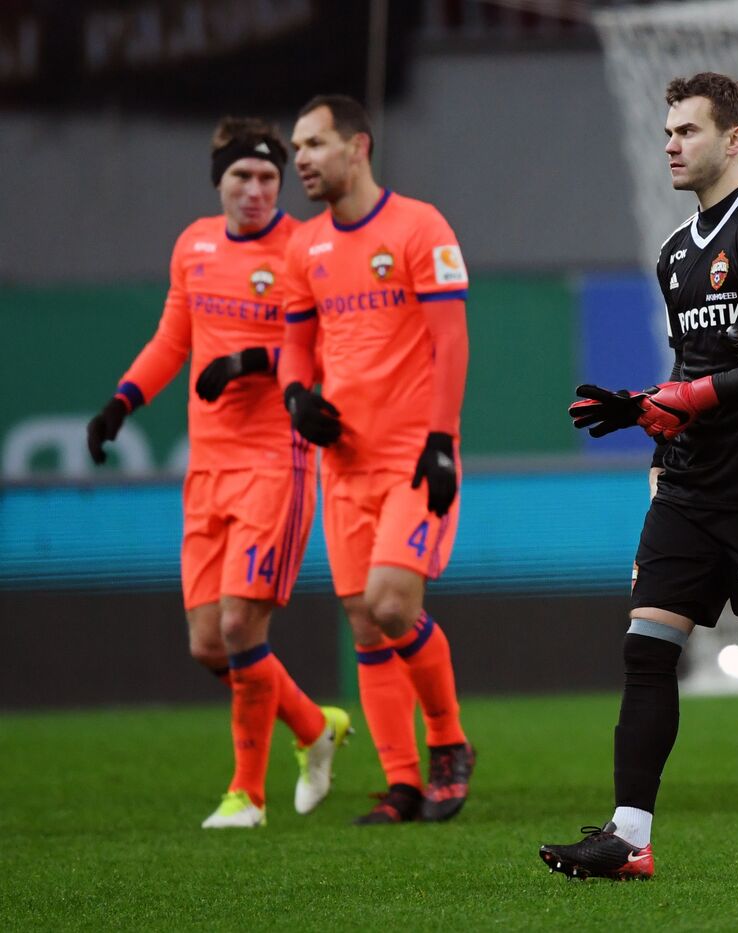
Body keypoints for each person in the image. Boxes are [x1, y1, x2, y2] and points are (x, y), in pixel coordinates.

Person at [545, 72, 738, 880]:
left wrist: (697, 393)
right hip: (687, 485)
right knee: (647, 650)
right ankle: (629, 835)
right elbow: (692, 363)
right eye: (668, 131)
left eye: (686, 130)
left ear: (734, 137)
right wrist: (656, 427)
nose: (670, 144)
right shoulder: (677, 251)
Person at [86, 117, 349, 829]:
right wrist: (121, 402)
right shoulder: (194, 246)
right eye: (244, 176)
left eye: (269, 177)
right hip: (208, 467)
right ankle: (312, 724)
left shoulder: (303, 248)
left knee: (238, 623)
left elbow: (322, 348)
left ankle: (247, 794)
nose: (258, 189)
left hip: (276, 460)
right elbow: (175, 336)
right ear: (219, 182)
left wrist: (250, 361)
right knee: (209, 643)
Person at [280, 94, 473, 824]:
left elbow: (450, 341)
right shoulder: (306, 246)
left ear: (357, 146)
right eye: (297, 146)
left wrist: (442, 439)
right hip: (345, 463)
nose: (301, 157)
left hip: (413, 457)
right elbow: (297, 344)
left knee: (395, 604)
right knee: (365, 623)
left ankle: (449, 742)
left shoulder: (420, 227)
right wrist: (298, 394)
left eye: (314, 143)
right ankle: (402, 783)